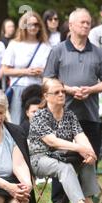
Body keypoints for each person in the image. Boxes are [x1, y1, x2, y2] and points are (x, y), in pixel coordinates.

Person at [28, 78, 101, 203]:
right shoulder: (39, 115)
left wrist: (89, 152)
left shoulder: (69, 115)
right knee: (65, 167)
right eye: (56, 92)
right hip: (39, 159)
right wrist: (81, 148)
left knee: (87, 159)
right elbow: (52, 142)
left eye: (63, 91)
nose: (61, 94)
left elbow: (81, 136)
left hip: (62, 156)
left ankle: (89, 201)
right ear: (46, 96)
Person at [44, 8, 102, 165]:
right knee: (62, 161)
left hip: (90, 114)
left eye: (88, 23)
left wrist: (91, 90)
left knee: (90, 159)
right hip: (62, 114)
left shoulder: (98, 52)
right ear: (71, 25)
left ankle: (88, 190)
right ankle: (60, 191)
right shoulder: (58, 50)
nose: (86, 25)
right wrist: (67, 89)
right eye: (82, 22)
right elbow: (47, 80)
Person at [1, 11, 51, 125]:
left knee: (39, 123)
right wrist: (26, 71)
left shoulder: (46, 46)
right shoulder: (14, 44)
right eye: (30, 24)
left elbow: (51, 72)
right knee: (17, 122)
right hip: (19, 88)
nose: (33, 27)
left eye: (36, 24)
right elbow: (5, 70)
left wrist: (42, 72)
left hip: (38, 89)